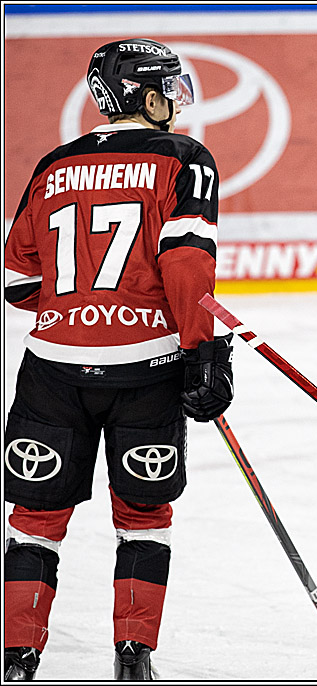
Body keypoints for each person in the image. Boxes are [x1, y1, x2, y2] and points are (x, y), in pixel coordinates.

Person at [3, 39, 233, 681]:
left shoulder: (54, 164)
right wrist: (200, 346)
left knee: (35, 518)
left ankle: (16, 658)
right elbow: (186, 264)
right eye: (171, 89)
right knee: (143, 515)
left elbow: (16, 280)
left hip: (52, 367)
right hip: (146, 371)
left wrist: (84, 311)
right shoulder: (186, 159)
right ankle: (133, 655)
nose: (177, 103)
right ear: (151, 96)